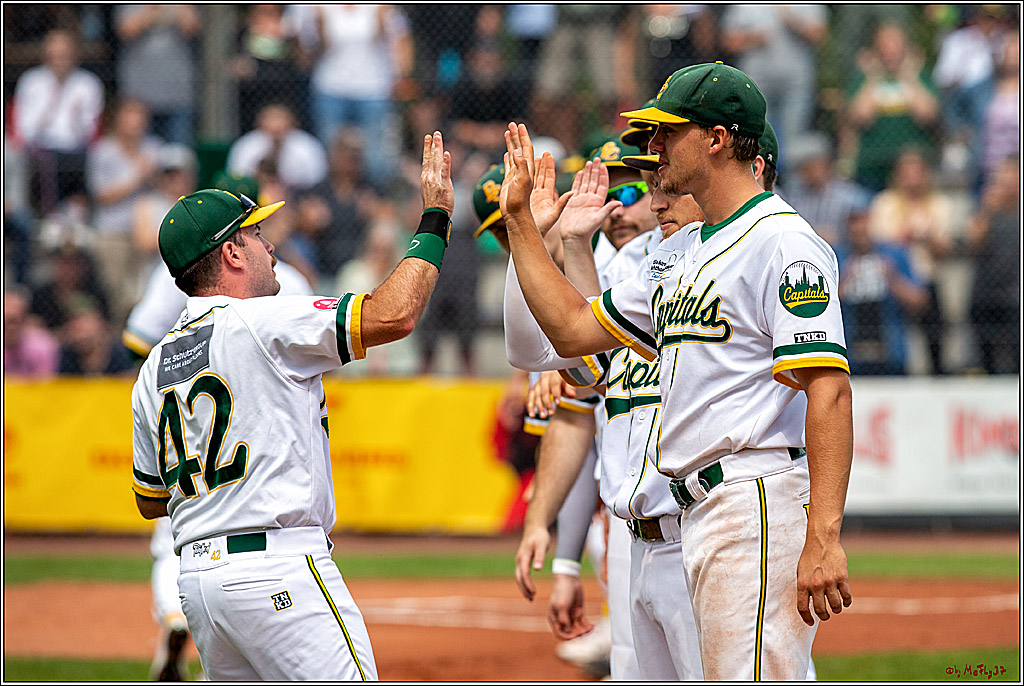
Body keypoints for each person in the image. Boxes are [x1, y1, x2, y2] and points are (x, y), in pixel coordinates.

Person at [499, 61, 854, 680]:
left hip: (753, 497)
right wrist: (522, 226)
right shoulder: (681, 254)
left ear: (718, 139)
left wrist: (824, 534)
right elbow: (571, 329)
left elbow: (829, 392)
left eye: (670, 131)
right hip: (696, 512)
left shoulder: (783, 241)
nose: (654, 147)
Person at [130, 131, 454, 680]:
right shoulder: (264, 319)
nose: (270, 244)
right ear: (231, 252)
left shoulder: (152, 366)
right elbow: (394, 315)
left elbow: (150, 501)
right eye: (256, 235)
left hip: (200, 586)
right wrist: (435, 221)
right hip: (279, 569)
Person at [867, 148, 953, 375]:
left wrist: (928, 238)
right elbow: (877, 242)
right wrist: (906, 237)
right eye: (906, 172)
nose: (911, 178)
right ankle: (897, 374)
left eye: (916, 172)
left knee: (935, 336)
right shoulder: (884, 203)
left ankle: (938, 375)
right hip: (893, 281)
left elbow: (946, 248)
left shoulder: (938, 204)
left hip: (927, 277)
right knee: (893, 335)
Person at [85, 99, 164, 322]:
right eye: (130, 117)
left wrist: (154, 176)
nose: (135, 123)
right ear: (118, 120)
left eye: (140, 117)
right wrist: (137, 179)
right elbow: (100, 195)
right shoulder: (103, 151)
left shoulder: (154, 148)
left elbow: (167, 186)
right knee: (115, 293)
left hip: (149, 234)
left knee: (146, 293)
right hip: (113, 233)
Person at [13, 28, 104, 216]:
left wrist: (76, 116)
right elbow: (25, 131)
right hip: (41, 149)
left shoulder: (88, 84)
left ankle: (80, 217)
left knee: (95, 160)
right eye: (55, 55)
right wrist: (52, 102)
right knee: (48, 162)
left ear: (74, 55)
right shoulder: (31, 81)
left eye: (64, 55)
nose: (60, 60)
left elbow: (89, 133)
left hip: (76, 150)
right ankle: (50, 215)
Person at [721, 4, 827, 155]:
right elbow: (728, 41)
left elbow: (819, 35)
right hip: (757, 85)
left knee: (795, 142)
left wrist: (794, 23)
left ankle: (791, 179)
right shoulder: (745, 6)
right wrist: (753, 38)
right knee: (756, 137)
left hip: (796, 85)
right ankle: (758, 176)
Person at [846, 22, 940, 192]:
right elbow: (860, 117)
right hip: (872, 168)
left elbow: (928, 114)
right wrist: (873, 76)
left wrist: (910, 77)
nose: (891, 51)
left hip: (912, 172)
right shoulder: (865, 79)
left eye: (896, 44)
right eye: (885, 45)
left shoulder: (920, 76)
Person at [836, 205, 927, 376]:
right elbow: (821, 305)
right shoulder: (836, 257)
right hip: (850, 353)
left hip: (892, 350)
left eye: (863, 221)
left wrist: (892, 279)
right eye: (853, 223)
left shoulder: (896, 255)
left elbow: (919, 300)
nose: (859, 229)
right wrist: (846, 281)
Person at [115, 5, 200, 146]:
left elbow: (192, 26)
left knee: (177, 157)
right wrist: (153, 11)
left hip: (178, 94)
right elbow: (127, 30)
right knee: (145, 153)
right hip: (140, 97)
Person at [967, 156, 1020, 375]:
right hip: (986, 293)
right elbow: (973, 245)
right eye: (1002, 174)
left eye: (1012, 173)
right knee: (985, 357)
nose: (1006, 180)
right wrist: (987, 210)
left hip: (1016, 295)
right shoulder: (987, 209)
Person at [784, 133, 873, 250]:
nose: (811, 171)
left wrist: (839, 237)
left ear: (827, 163)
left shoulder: (850, 195)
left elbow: (862, 233)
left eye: (815, 164)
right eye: (805, 166)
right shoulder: (793, 197)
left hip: (842, 255)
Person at [226, 104, 328, 193]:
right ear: (260, 124)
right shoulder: (246, 147)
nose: (276, 130)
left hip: (297, 198)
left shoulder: (307, 147)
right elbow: (236, 178)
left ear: (292, 124)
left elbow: (317, 181)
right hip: (254, 195)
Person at [4, 287, 60, 379]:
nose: (5, 326)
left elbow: (45, 385)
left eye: (12, 321)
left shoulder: (43, 345)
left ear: (24, 321)